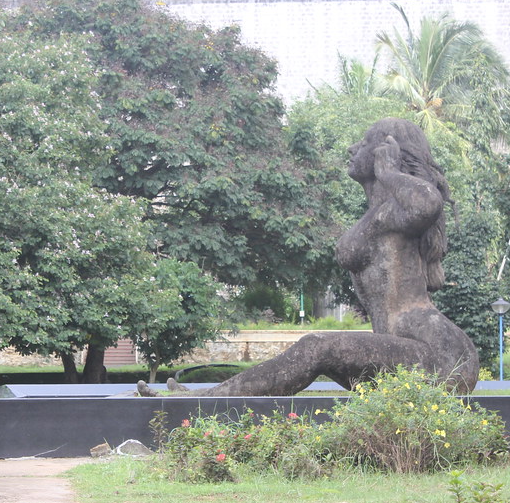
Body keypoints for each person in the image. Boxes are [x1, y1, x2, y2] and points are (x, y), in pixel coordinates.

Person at [143, 118, 478, 397]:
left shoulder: (397, 210)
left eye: (362, 143)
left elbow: (427, 203)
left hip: (440, 353)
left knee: (318, 345)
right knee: (321, 353)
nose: (351, 150)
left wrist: (389, 174)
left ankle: (204, 400)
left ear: (383, 153)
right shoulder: (380, 214)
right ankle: (210, 398)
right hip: (400, 343)